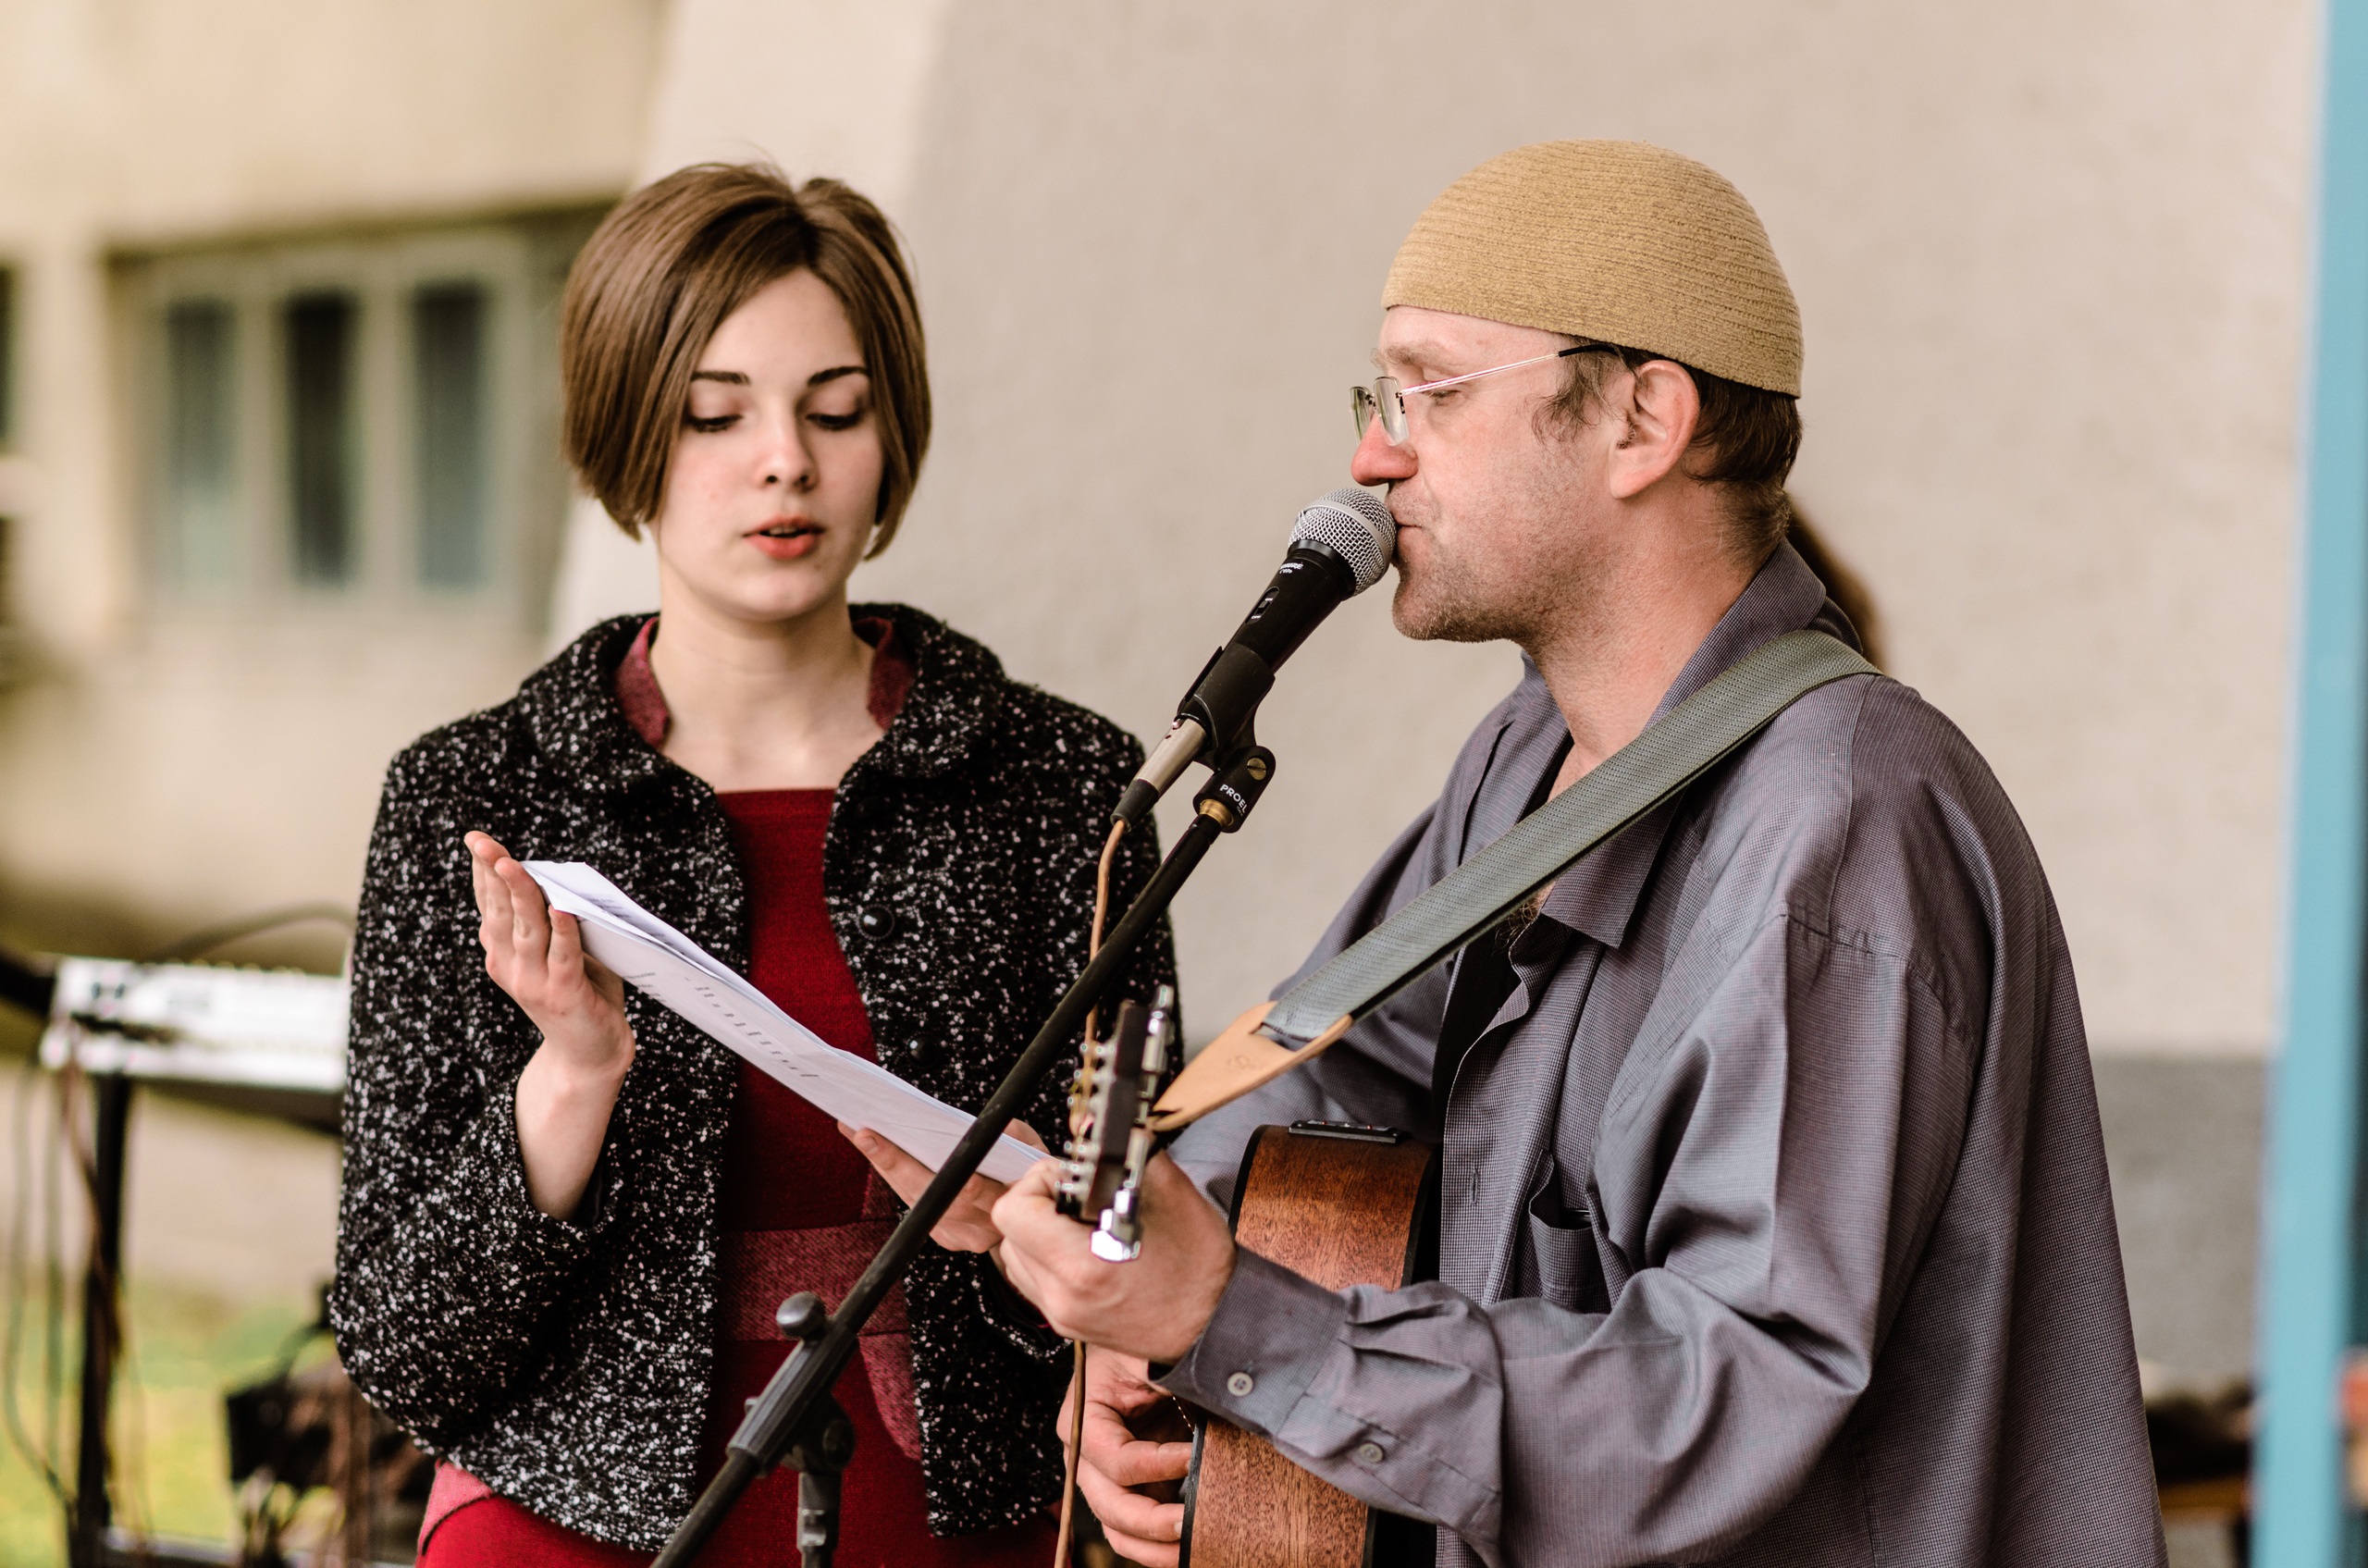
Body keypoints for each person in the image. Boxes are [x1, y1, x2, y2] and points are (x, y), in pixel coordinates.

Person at [988, 142, 2164, 1567]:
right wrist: (1131, 1258)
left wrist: (1235, 1325)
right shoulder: (1525, 754)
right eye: (1377, 396)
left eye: (1429, 389)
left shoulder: (1840, 817)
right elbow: (1342, 1070)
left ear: (1641, 419)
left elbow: (1724, 1398)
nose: (1373, 454)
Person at [329, 163, 1173, 1566]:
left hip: (962, 1500)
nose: (786, 459)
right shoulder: (471, 795)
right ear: (623, 435)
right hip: (571, 1512)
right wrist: (571, 1077)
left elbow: (1145, 1252)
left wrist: (1019, 1227)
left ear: (888, 433)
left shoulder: (1063, 784)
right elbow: (408, 1349)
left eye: (834, 410)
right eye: (716, 415)